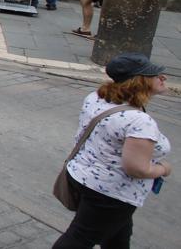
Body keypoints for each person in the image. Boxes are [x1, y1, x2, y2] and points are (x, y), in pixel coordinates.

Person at [54, 52, 171, 248]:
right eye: (154, 75)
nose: (163, 77)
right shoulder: (140, 122)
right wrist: (164, 169)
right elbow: (137, 168)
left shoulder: (96, 98)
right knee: (79, 239)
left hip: (83, 177)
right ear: (139, 81)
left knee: (117, 238)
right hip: (110, 194)